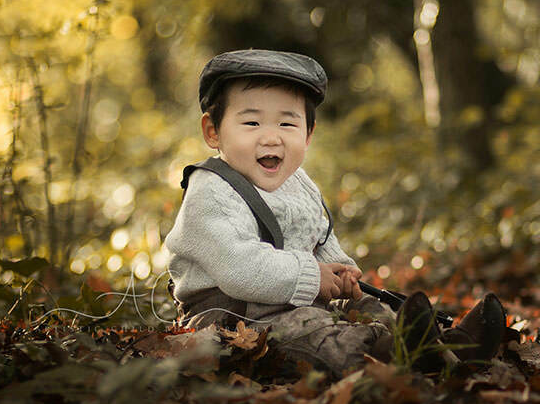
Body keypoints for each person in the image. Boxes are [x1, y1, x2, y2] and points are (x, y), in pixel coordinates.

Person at [164, 49, 506, 376]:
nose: (271, 138)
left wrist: (340, 271)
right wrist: (313, 277)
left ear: (308, 134)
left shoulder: (298, 183)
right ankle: (393, 353)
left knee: (368, 306)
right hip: (232, 318)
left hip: (293, 298)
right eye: (252, 123)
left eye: (287, 124)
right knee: (308, 330)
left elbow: (319, 237)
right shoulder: (211, 191)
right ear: (213, 132)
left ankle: (446, 346)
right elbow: (240, 268)